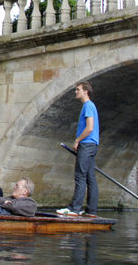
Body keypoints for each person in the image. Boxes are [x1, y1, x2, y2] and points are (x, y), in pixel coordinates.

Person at [57, 81, 99, 217]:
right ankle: (91, 211)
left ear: (85, 91)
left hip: (86, 144)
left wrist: (77, 140)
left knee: (80, 176)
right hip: (92, 145)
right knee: (90, 177)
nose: (76, 92)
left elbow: (90, 127)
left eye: (78, 89)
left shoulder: (88, 106)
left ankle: (74, 209)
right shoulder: (90, 106)